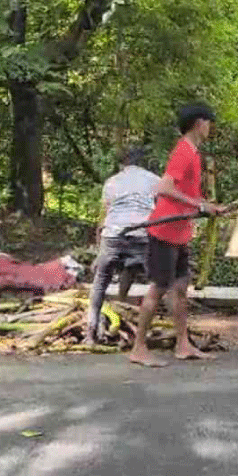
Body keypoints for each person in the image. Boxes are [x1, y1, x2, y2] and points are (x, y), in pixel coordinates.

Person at [128, 103, 224, 367]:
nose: (210, 127)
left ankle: (183, 344)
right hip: (164, 231)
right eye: (208, 122)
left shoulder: (194, 153)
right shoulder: (183, 150)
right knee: (158, 289)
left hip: (181, 233)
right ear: (198, 123)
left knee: (180, 289)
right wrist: (198, 205)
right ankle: (138, 348)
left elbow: (188, 195)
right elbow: (165, 188)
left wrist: (207, 206)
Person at [85, 146, 160, 345]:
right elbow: (161, 211)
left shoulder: (112, 182)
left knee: (100, 281)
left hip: (113, 234)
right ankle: (147, 336)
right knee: (160, 282)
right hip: (141, 233)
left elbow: (104, 217)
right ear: (142, 162)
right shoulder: (154, 180)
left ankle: (90, 332)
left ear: (122, 164)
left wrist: (98, 246)